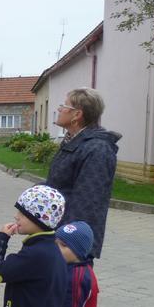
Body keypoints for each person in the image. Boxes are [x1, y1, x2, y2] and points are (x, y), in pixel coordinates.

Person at [46, 88, 119, 262]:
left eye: (64, 106)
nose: (59, 109)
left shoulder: (97, 149)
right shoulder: (73, 141)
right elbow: (60, 184)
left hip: (71, 244)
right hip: (57, 233)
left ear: (76, 115)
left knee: (70, 281)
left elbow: (87, 202)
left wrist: (65, 244)